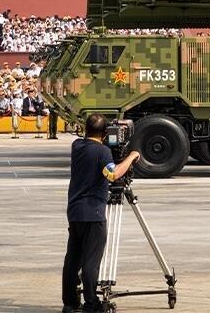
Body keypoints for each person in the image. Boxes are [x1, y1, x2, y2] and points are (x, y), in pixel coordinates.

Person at [62, 114, 140, 313]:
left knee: (73, 259)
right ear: (105, 133)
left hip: (75, 211)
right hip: (93, 212)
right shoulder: (102, 152)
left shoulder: (76, 146)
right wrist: (131, 157)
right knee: (90, 263)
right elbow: (112, 175)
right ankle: (91, 303)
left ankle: (70, 303)